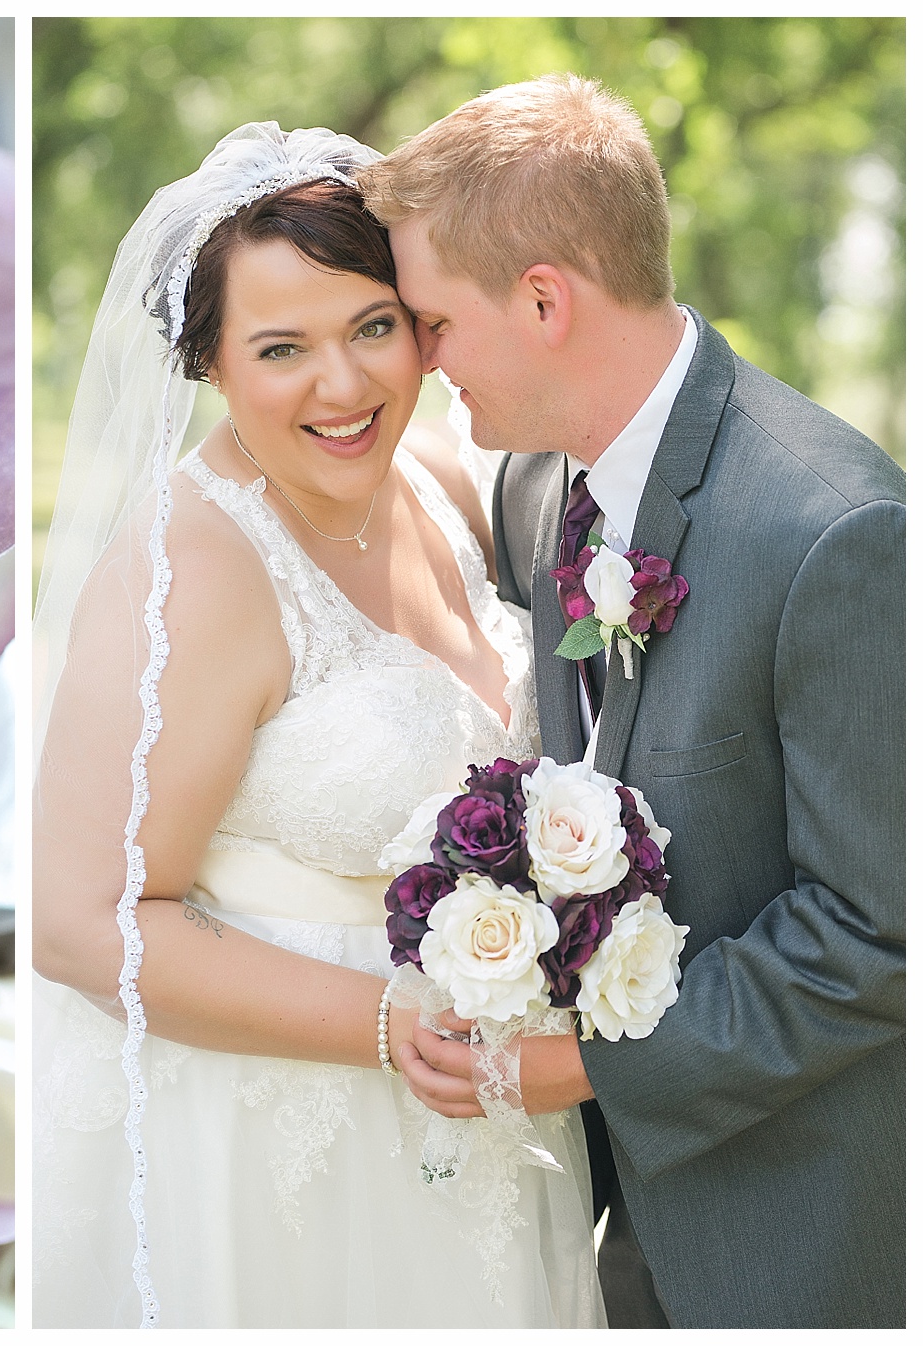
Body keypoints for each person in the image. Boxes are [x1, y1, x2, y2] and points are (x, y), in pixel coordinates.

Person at [32, 123, 603, 1328]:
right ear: (210, 364)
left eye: (373, 328)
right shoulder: (192, 566)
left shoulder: (443, 485)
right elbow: (84, 924)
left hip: (480, 1125)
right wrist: (392, 1026)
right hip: (277, 1143)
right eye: (281, 347)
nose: (343, 387)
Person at [358, 74, 904, 1329]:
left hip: (795, 1233)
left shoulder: (839, 529)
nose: (422, 362)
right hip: (600, 1241)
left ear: (544, 298)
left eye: (432, 324)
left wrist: (578, 1067)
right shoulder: (544, 487)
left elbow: (878, 934)